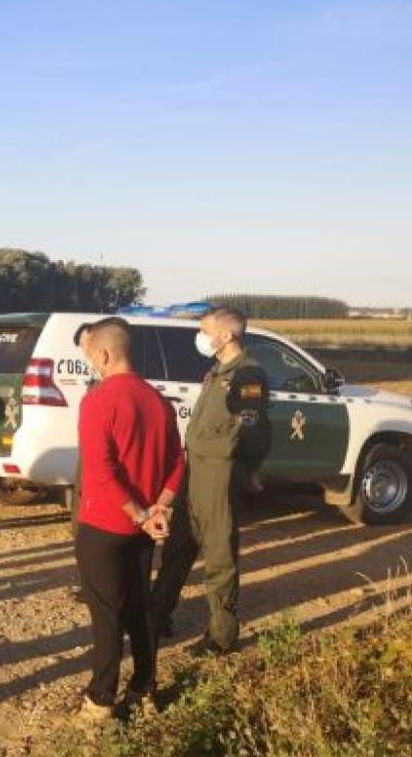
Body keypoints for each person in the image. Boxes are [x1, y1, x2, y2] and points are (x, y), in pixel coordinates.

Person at [72, 318, 184, 723]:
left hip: (104, 527)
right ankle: (144, 687)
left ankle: (101, 699)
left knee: (106, 616)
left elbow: (101, 470)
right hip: (142, 530)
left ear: (104, 353)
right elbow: (177, 461)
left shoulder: (98, 400)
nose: (92, 364)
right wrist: (159, 508)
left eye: (91, 357)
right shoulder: (158, 400)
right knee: (138, 608)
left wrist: (139, 514)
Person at [150, 307, 271, 655]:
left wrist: (242, 471)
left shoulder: (247, 375)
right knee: (177, 548)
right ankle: (157, 618)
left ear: (228, 335)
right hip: (195, 471)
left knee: (219, 556)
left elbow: (255, 432)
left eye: (205, 330)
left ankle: (221, 636)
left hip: (219, 473)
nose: (200, 337)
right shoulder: (217, 371)